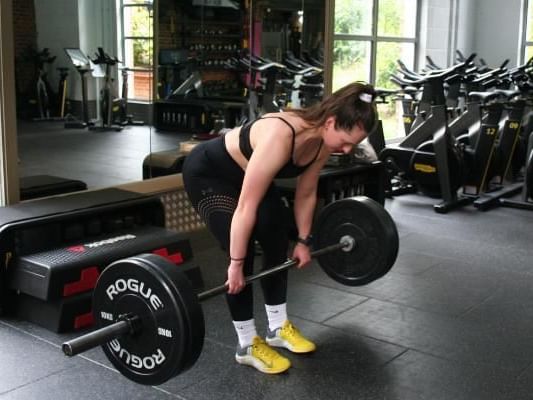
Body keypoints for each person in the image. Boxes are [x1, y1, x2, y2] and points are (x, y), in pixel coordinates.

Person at [182, 81, 377, 374]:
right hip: (210, 175)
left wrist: (303, 239)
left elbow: (307, 191)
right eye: (347, 141)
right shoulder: (281, 135)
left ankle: (277, 328)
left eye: (353, 144)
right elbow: (246, 207)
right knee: (242, 247)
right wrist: (235, 264)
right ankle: (246, 344)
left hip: (247, 174)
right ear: (332, 122)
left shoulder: (324, 140)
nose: (347, 149)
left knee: (276, 234)